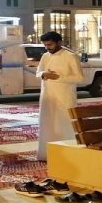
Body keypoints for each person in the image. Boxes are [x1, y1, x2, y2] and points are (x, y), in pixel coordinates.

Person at [35, 31, 84, 161]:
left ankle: (68, 155)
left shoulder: (70, 56)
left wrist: (57, 77)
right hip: (47, 97)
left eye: (50, 45)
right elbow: (38, 72)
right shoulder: (45, 56)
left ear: (59, 42)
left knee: (64, 124)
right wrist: (44, 74)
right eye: (45, 45)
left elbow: (80, 78)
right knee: (47, 124)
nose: (47, 48)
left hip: (65, 97)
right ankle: (46, 154)